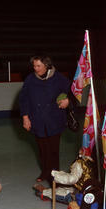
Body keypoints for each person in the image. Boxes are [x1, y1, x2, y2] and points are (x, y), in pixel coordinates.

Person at [19, 54, 71, 185]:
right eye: (34, 66)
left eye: (38, 66)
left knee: (54, 148)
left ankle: (55, 174)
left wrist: (67, 100)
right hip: (37, 119)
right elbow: (23, 99)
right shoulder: (30, 79)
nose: (35, 69)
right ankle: (45, 171)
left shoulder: (58, 77)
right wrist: (25, 117)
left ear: (46, 65)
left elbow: (71, 90)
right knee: (42, 149)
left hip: (54, 118)